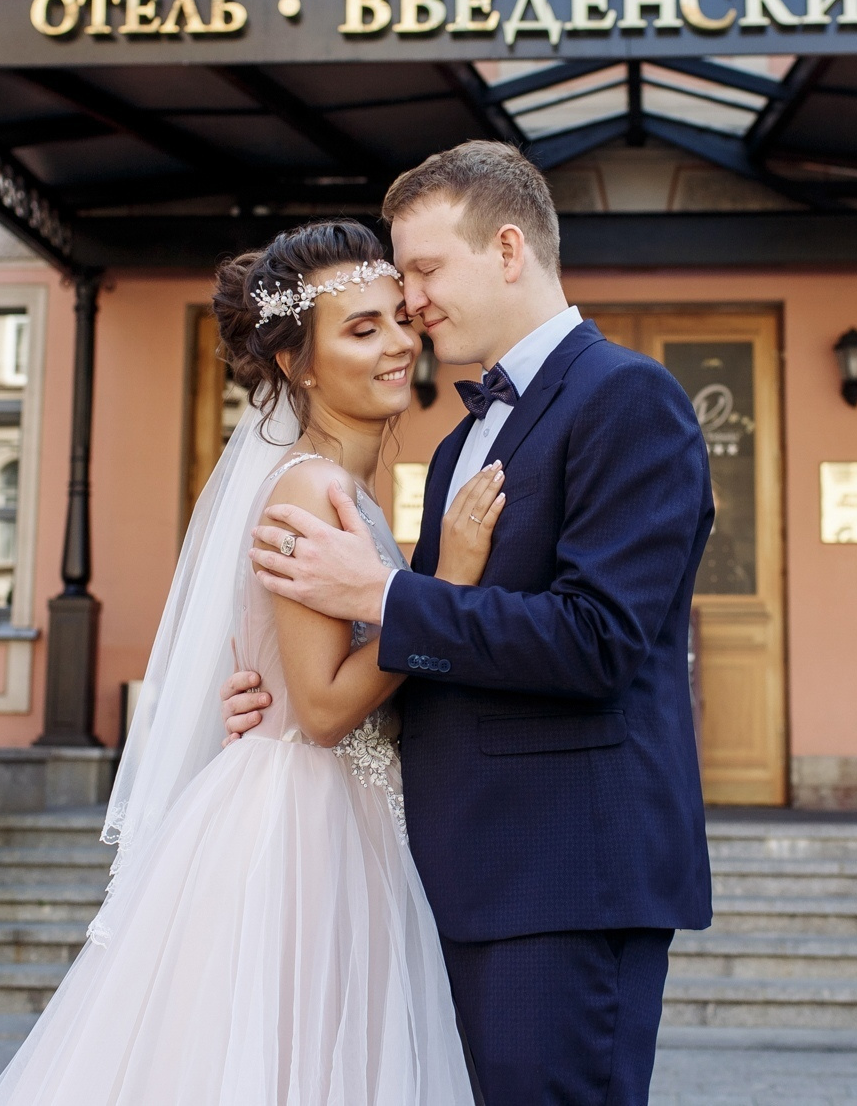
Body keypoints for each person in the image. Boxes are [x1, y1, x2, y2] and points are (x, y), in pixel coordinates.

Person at [225, 141, 715, 1106]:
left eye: (423, 269)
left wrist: (384, 596)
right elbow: (448, 654)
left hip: (564, 876)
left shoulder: (629, 398)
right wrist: (294, 701)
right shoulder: (457, 442)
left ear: (506, 248)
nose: (411, 301)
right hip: (451, 870)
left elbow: (598, 639)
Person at [0, 220, 505, 1105]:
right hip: (302, 826)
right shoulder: (307, 488)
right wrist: (445, 588)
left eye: (395, 319)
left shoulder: (350, 490)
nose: (397, 344)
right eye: (360, 328)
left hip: (354, 811)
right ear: (298, 365)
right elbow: (327, 707)